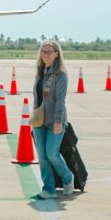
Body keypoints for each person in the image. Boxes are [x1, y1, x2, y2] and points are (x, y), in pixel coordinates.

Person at [33, 40, 73, 199]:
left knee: (52, 154)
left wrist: (58, 121)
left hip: (54, 121)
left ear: (56, 54)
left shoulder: (60, 74)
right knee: (42, 158)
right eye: (43, 51)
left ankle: (68, 178)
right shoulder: (39, 71)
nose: (45, 54)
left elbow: (60, 100)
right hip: (38, 121)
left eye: (49, 51)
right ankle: (48, 189)